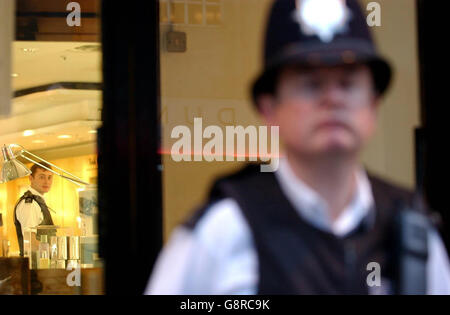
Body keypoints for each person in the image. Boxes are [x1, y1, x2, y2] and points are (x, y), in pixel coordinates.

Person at [146, 0, 450, 294]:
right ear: (269, 108)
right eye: (311, 84)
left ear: (373, 104)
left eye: (347, 83)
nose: (332, 99)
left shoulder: (411, 232)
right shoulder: (226, 232)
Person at [14, 163, 55, 257]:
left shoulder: (38, 201)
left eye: (50, 177)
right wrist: (56, 251)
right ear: (31, 178)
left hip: (42, 264)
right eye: (42, 177)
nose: (47, 181)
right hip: (33, 267)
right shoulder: (30, 204)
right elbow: (30, 243)